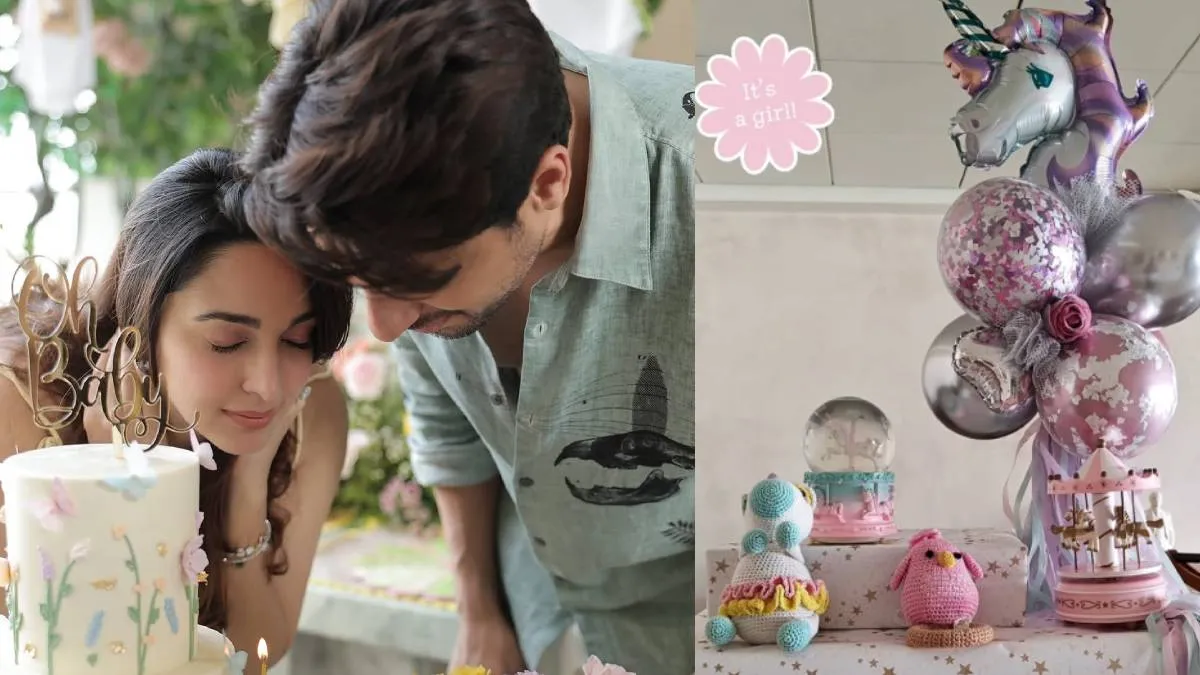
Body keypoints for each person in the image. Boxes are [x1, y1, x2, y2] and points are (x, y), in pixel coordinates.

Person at [239, 1, 695, 673]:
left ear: (549, 183)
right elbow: (445, 417)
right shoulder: (415, 204)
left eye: (418, 285)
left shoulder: (718, 192)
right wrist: (478, 608)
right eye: (360, 284)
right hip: (532, 602)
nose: (386, 327)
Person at [0, 148, 354, 673]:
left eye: (297, 339)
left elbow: (254, 654)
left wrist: (246, 490)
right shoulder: (22, 401)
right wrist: (114, 472)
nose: (267, 386)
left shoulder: (309, 410)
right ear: (142, 320)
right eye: (227, 342)